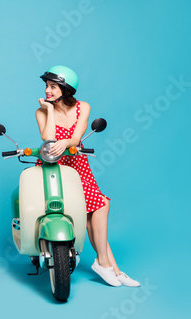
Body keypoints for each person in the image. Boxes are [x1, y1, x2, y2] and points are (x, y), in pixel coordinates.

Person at [35, 65, 139, 287]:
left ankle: (111, 267)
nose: (47, 91)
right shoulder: (42, 111)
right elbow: (48, 137)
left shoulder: (83, 107)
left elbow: (76, 137)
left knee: (99, 207)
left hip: (77, 165)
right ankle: (109, 267)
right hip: (53, 167)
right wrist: (50, 111)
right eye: (46, 86)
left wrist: (67, 142)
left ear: (66, 88)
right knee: (92, 216)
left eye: (53, 86)